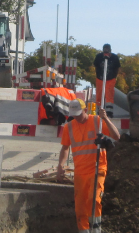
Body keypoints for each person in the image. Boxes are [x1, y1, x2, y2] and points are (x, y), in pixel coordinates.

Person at [56, 98, 120, 233]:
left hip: (98, 168)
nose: (77, 117)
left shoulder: (97, 121)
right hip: (80, 173)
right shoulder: (69, 127)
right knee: (80, 208)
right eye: (74, 115)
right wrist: (60, 165)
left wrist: (106, 119)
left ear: (85, 110)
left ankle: (96, 231)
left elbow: (116, 136)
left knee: (94, 200)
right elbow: (65, 148)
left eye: (79, 114)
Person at [92, 44, 121, 117]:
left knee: (109, 94)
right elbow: (96, 66)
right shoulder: (99, 57)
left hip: (110, 79)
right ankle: (99, 110)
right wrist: (98, 75)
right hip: (100, 79)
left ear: (110, 50)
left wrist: (114, 76)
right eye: (105, 50)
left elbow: (117, 68)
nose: (106, 53)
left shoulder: (114, 58)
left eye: (107, 50)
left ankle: (109, 112)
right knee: (99, 94)